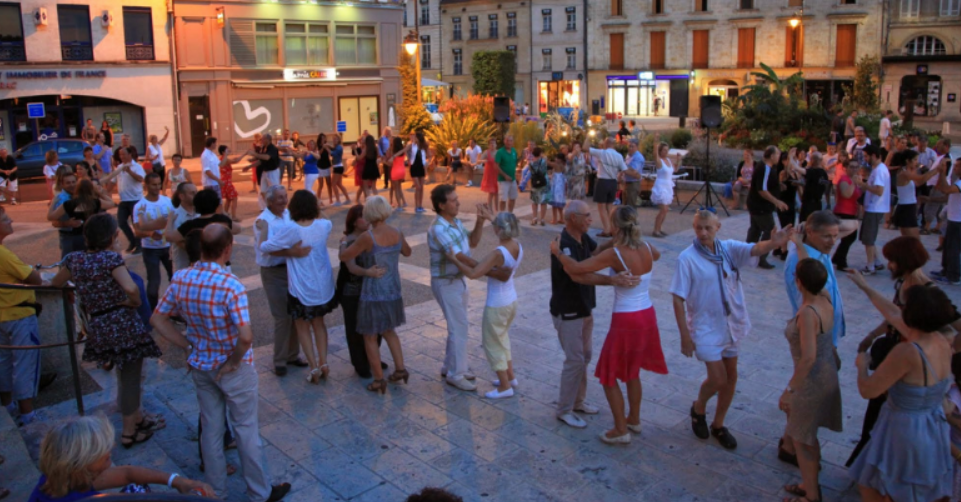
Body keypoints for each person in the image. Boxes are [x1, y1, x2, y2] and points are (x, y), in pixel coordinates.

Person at [151, 225, 291, 502]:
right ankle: (259, 493)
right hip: (232, 369)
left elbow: (157, 319)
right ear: (227, 249)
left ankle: (216, 493)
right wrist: (234, 361)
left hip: (201, 365)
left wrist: (187, 344)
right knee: (245, 430)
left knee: (211, 430)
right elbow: (246, 336)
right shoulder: (231, 285)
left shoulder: (181, 278)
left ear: (201, 247)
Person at [670, 210, 793, 450]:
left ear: (718, 227)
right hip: (705, 327)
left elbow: (754, 250)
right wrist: (684, 336)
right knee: (718, 378)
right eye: (698, 228)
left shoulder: (728, 249)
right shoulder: (687, 258)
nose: (703, 233)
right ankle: (699, 407)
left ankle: (719, 423)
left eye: (707, 228)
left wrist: (774, 243)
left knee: (731, 376)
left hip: (731, 323)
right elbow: (677, 298)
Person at [552, 205, 667, 444]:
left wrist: (558, 253)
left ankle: (620, 429)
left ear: (615, 227)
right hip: (647, 315)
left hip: (626, 320)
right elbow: (657, 255)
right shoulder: (647, 247)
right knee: (632, 372)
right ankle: (634, 419)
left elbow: (575, 268)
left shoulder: (617, 254)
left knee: (608, 375)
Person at [49, 213, 163, 448]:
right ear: (113, 237)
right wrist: (130, 302)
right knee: (131, 377)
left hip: (99, 325)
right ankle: (129, 432)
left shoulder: (74, 260)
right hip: (122, 324)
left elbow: (55, 283)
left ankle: (138, 419)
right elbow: (131, 288)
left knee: (123, 374)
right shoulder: (111, 260)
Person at [845, 236, 961, 467]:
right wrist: (872, 335)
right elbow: (894, 315)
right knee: (875, 417)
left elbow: (901, 317)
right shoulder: (904, 283)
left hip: (909, 363)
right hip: (895, 352)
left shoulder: (926, 292)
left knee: (882, 413)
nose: (889, 265)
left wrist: (948, 352)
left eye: (892, 260)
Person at [846, 271, 955, 502]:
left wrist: (862, 365)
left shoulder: (906, 352)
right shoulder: (942, 342)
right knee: (880, 488)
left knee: (876, 488)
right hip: (931, 427)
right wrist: (865, 287)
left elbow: (868, 390)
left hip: (904, 432)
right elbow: (892, 314)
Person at [548, 200, 637, 429]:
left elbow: (595, 251)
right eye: (586, 216)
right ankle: (564, 409)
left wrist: (615, 240)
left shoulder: (582, 237)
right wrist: (612, 280)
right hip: (568, 310)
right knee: (575, 360)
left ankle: (578, 401)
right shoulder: (563, 244)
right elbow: (578, 275)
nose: (591, 219)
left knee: (584, 357)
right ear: (573, 219)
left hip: (585, 308)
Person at [27, 415, 213, 501]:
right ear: (83, 465)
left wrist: (178, 481)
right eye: (105, 455)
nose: (111, 452)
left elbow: (126, 473)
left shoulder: (60, 477)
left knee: (137, 487)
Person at [778, 258, 841, 502]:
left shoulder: (807, 313)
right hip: (828, 374)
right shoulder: (825, 299)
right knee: (808, 436)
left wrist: (789, 390)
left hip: (811, 381)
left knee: (802, 440)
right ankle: (808, 484)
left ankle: (811, 496)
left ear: (799, 282)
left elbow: (808, 358)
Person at [261, 190, 337, 384]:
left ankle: (313, 367)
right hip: (321, 285)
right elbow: (327, 220)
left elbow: (266, 247)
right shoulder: (323, 225)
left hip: (300, 287)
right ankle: (324, 362)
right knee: (319, 324)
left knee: (302, 326)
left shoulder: (292, 229)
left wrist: (290, 252)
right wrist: (319, 208)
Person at [446, 209, 523, 399]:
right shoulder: (517, 245)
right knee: (503, 340)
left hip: (497, 304)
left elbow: (473, 273)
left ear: (497, 229)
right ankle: (510, 378)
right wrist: (491, 217)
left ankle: (505, 387)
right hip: (511, 300)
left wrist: (454, 259)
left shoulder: (498, 253)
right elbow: (482, 266)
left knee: (492, 344)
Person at [427, 184, 498, 391]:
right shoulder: (439, 228)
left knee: (458, 324)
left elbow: (473, 242)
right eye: (453, 200)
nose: (458, 202)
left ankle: (451, 365)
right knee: (459, 326)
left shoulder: (455, 222)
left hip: (458, 281)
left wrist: (480, 221)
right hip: (446, 282)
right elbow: (459, 256)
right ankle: (456, 374)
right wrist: (487, 268)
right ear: (441, 205)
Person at [339, 196, 412, 393]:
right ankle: (400, 370)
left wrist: (343, 243)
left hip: (373, 293)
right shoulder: (397, 232)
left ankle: (378, 380)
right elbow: (408, 252)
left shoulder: (368, 237)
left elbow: (344, 256)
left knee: (369, 336)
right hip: (393, 291)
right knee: (389, 331)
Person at [251, 186, 306, 377]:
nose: (284, 201)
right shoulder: (262, 221)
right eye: (280, 198)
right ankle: (280, 360)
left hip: (291, 269)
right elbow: (266, 249)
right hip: (273, 273)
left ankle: (292, 355)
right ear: (270, 201)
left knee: (295, 313)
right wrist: (293, 251)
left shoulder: (289, 215)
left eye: (285, 197)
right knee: (282, 317)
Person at [0, 206, 44, 426]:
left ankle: (8, 407)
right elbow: (34, 278)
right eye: (6, 219)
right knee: (25, 365)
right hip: (18, 314)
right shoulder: (4, 254)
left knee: (5, 363)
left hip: (3, 316)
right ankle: (27, 415)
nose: (11, 221)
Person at [337, 205, 387, 378]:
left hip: (371, 289)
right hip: (352, 291)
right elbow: (351, 267)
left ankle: (373, 358)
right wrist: (368, 272)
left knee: (376, 326)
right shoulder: (348, 240)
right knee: (355, 329)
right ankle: (360, 363)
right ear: (353, 221)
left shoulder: (372, 236)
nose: (366, 220)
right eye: (362, 217)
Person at [784, 211, 845, 346]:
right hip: (816, 334)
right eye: (827, 236)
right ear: (810, 232)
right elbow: (806, 298)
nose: (833, 242)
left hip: (827, 331)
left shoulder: (819, 248)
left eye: (835, 236)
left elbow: (854, 225)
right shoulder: (797, 261)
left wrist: (806, 224)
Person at [132, 173, 174, 310]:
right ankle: (153, 312)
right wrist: (150, 233)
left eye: (158, 184)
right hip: (150, 249)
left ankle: (175, 309)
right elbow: (137, 232)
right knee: (153, 283)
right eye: (153, 184)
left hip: (169, 247)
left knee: (175, 279)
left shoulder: (167, 201)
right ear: (146, 185)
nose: (157, 187)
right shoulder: (139, 206)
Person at [850, 145, 889, 275]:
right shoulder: (879, 169)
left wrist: (863, 185)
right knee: (868, 237)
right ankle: (876, 262)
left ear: (873, 155)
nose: (865, 158)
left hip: (875, 208)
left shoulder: (879, 170)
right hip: (874, 207)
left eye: (866, 156)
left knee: (869, 239)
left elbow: (879, 190)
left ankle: (870, 266)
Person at [747, 146, 788, 269]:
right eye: (777, 155)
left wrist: (777, 185)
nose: (779, 158)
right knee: (770, 230)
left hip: (756, 204)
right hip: (761, 205)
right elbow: (762, 190)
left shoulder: (767, 167)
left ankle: (748, 253)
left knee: (755, 229)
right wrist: (777, 201)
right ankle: (760, 257)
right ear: (771, 156)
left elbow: (765, 184)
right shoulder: (764, 167)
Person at [101, 146, 146, 255]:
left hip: (136, 199)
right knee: (121, 222)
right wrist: (105, 192)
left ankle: (139, 245)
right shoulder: (119, 167)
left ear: (130, 154)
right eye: (120, 154)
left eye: (124, 154)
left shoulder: (137, 166)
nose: (122, 156)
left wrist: (130, 171)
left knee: (136, 224)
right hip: (124, 200)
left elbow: (141, 179)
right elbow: (112, 181)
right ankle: (132, 241)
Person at [586, 136, 633, 238]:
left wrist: (587, 136)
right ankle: (613, 228)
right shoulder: (619, 156)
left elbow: (585, 148)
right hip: (613, 182)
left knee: (601, 207)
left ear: (605, 143)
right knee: (610, 207)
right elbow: (624, 169)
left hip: (602, 181)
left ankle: (607, 230)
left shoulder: (602, 153)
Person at [932, 157, 961, 286]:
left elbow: (947, 190)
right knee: (948, 246)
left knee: (953, 248)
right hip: (953, 218)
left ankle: (953, 276)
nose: (954, 168)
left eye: (957, 166)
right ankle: (946, 270)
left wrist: (943, 172)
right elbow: (942, 189)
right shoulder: (958, 181)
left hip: (958, 221)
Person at [45, 171, 86, 258]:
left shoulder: (81, 195)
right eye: (68, 183)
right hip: (69, 237)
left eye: (73, 182)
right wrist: (67, 223)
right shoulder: (60, 199)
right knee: (67, 265)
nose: (72, 185)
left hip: (84, 236)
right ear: (62, 184)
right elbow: (54, 222)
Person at [245, 133, 282, 208]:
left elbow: (267, 157)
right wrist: (250, 166)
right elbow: (261, 160)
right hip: (265, 171)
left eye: (263, 139)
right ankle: (269, 206)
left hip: (272, 171)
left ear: (268, 140)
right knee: (263, 191)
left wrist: (255, 154)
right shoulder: (263, 148)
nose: (261, 140)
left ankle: (279, 206)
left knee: (275, 190)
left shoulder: (273, 148)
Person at [651, 136, 676, 237]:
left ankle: (659, 229)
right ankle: (655, 230)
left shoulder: (669, 160)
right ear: (660, 151)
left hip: (668, 185)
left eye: (667, 150)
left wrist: (678, 160)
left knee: (665, 210)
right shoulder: (659, 161)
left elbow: (676, 169)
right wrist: (656, 143)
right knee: (663, 209)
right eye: (664, 150)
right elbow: (654, 154)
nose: (666, 152)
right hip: (661, 185)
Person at [796, 151, 829, 223]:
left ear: (813, 160)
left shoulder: (812, 171)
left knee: (805, 225)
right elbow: (823, 186)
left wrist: (791, 159)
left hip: (808, 204)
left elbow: (799, 170)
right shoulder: (824, 173)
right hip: (818, 204)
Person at [494, 135, 520, 214]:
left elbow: (515, 162)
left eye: (511, 141)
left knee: (512, 198)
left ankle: (510, 214)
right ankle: (502, 215)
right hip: (503, 180)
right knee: (503, 199)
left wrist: (522, 157)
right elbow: (496, 166)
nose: (509, 142)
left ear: (513, 142)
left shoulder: (514, 151)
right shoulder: (500, 152)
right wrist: (505, 175)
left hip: (512, 179)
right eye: (507, 140)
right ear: (504, 141)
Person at [217, 145, 242, 221]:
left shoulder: (223, 159)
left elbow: (234, 160)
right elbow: (235, 161)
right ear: (223, 152)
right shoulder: (225, 159)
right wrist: (245, 154)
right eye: (227, 150)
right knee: (234, 197)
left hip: (225, 181)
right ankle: (233, 216)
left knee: (228, 199)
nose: (229, 150)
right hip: (227, 182)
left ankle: (224, 216)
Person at [527, 147, 551, 226]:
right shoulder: (543, 161)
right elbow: (545, 171)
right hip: (544, 182)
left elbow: (531, 172)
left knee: (535, 201)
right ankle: (542, 219)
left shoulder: (531, 163)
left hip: (535, 182)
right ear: (540, 153)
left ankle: (534, 218)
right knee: (543, 202)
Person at [622, 139, 644, 208]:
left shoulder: (638, 157)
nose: (630, 148)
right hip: (627, 182)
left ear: (637, 147)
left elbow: (633, 172)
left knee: (631, 206)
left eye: (632, 146)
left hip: (633, 183)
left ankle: (631, 218)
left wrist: (622, 168)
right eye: (629, 146)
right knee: (625, 205)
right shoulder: (629, 155)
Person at [329, 133, 350, 206]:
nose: (334, 140)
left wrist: (327, 149)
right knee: (339, 184)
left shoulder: (339, 147)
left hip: (338, 167)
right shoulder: (336, 147)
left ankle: (338, 200)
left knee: (333, 183)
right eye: (333, 139)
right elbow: (333, 149)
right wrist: (329, 147)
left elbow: (333, 153)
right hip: (338, 166)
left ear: (339, 140)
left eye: (336, 139)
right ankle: (347, 198)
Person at [387, 137, 408, 209]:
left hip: (395, 170)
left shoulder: (393, 152)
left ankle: (399, 204)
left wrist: (390, 147)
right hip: (402, 170)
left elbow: (389, 162)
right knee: (399, 187)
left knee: (396, 189)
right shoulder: (403, 152)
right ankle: (404, 202)